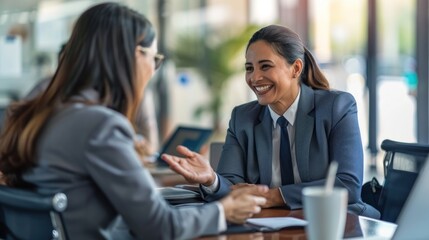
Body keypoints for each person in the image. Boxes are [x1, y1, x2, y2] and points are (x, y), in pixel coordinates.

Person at [0, 3, 268, 239]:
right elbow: (159, 227)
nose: (153, 69)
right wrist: (224, 210)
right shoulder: (99, 125)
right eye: (154, 58)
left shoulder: (36, 116)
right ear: (134, 55)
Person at [162, 24, 380, 219]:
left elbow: (347, 186)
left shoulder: (337, 107)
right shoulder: (243, 119)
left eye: (265, 66)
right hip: (270, 226)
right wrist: (211, 179)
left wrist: (275, 196)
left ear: (295, 68)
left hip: (337, 222)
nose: (255, 78)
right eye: (249, 68)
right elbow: (232, 188)